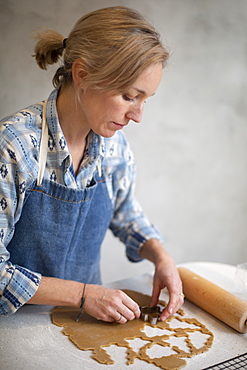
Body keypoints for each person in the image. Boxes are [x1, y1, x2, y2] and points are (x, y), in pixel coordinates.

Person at [0, 6, 183, 323]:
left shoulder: (114, 145)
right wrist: (82, 294)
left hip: (84, 321)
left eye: (145, 99)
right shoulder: (13, 147)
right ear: (82, 74)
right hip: (16, 330)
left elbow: (124, 213)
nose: (138, 116)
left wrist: (161, 257)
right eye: (129, 96)